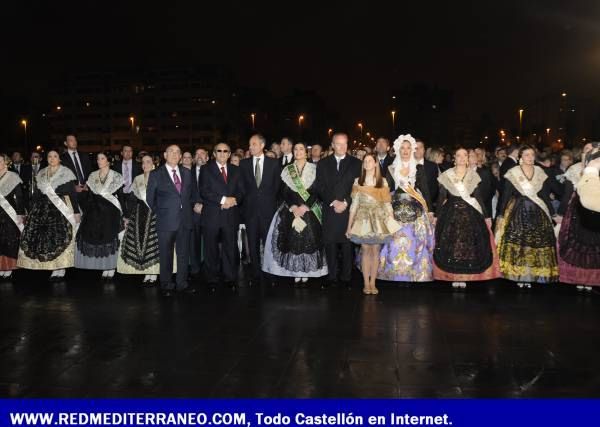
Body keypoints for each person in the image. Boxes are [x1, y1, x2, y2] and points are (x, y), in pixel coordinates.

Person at [433, 148, 500, 288]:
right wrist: (436, 215)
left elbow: (478, 197)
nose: (462, 158)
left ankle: (465, 275)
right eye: (459, 155)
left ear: (468, 159)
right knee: (451, 245)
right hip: (451, 213)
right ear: (454, 159)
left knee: (467, 245)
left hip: (470, 213)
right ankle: (454, 275)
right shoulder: (447, 175)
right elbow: (441, 197)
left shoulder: (473, 175)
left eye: (465, 155)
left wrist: (487, 216)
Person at [263, 142, 328, 284]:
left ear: (306, 152)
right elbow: (284, 192)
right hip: (291, 209)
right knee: (292, 241)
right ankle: (296, 271)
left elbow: (317, 191)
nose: (298, 151)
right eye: (296, 149)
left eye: (301, 149)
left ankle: (307, 271)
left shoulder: (315, 169)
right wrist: (293, 206)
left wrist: (306, 206)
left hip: (309, 209)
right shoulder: (287, 170)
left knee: (310, 241)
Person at [495, 145, 559, 288]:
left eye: (532, 155)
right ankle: (519, 274)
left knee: (535, 243)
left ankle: (532, 274)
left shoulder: (539, 171)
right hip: (518, 211)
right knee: (520, 244)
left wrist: (552, 212)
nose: (530, 158)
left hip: (537, 211)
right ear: (520, 157)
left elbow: (543, 195)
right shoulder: (513, 172)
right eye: (526, 155)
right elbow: (505, 195)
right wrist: (500, 213)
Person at [146, 145, 202, 297]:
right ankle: (166, 285)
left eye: (177, 152)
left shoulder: (187, 172)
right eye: (171, 151)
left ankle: (182, 284)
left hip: (185, 220)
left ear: (180, 156)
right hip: (166, 222)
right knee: (166, 255)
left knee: (183, 254)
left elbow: (192, 194)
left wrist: (195, 204)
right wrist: (163, 213)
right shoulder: (156, 174)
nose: (174, 154)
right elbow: (150, 199)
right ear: (165, 155)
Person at [378, 135, 434, 283]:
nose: (405, 151)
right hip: (394, 208)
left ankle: (413, 275)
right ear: (397, 149)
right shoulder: (391, 168)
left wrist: (430, 211)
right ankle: (393, 274)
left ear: (412, 150)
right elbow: (386, 189)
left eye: (408, 148)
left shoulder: (418, 168)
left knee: (415, 240)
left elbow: (425, 189)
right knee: (393, 241)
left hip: (415, 208)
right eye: (402, 148)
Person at [17, 149, 81, 280]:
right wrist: (30, 210)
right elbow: (37, 195)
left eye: (55, 156)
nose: (52, 158)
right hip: (43, 209)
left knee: (60, 236)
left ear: (59, 158)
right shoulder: (41, 173)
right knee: (47, 239)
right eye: (50, 156)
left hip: (61, 207)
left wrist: (76, 211)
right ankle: (53, 267)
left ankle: (61, 268)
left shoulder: (66, 173)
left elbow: (72, 194)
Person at [347, 154, 399, 294]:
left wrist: (392, 224)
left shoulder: (382, 182)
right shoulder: (358, 182)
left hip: (378, 220)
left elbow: (388, 205)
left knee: (375, 250)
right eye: (365, 161)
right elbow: (354, 206)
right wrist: (349, 227)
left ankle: (373, 282)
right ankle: (365, 282)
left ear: (376, 164)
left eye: (370, 160)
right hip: (362, 219)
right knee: (365, 250)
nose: (367, 163)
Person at [315, 132, 362, 288]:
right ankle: (332, 276)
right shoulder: (323, 163)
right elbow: (319, 186)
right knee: (330, 244)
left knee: (348, 245)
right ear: (333, 145)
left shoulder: (356, 163)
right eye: (338, 144)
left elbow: (359, 187)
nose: (342, 147)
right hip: (330, 208)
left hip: (348, 210)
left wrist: (346, 202)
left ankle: (347, 277)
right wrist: (333, 201)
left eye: (345, 143)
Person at [199, 143, 243, 291]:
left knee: (230, 248)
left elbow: (242, 191)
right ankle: (212, 279)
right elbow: (204, 191)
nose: (223, 153)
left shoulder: (236, 170)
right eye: (220, 151)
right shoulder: (206, 169)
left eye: (226, 151)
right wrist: (223, 200)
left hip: (230, 215)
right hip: (212, 216)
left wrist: (233, 200)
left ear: (230, 154)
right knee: (211, 249)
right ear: (214, 153)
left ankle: (230, 278)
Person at [74, 153, 124, 279]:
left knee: (110, 238)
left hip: (110, 211)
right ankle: (104, 265)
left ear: (108, 161)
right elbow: (90, 195)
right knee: (99, 239)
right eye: (97, 159)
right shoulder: (92, 175)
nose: (99, 161)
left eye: (102, 158)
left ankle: (111, 266)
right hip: (95, 211)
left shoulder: (116, 176)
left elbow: (120, 196)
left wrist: (124, 213)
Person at [239, 134, 281, 285]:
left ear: (262, 145)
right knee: (252, 243)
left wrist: (267, 201)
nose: (250, 147)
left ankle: (270, 273)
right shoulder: (244, 164)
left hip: (268, 211)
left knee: (269, 244)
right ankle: (256, 274)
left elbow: (277, 187)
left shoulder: (274, 163)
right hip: (250, 211)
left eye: (254, 144)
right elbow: (242, 186)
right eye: (250, 144)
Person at [117, 155, 161, 284]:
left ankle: (154, 272)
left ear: (154, 163)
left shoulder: (159, 177)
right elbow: (132, 199)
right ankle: (147, 272)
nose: (145, 164)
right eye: (143, 162)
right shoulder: (137, 179)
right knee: (142, 244)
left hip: (155, 214)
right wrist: (128, 216)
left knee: (154, 244)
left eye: (148, 162)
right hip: (140, 214)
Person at [0, 154, 25, 279]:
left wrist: (20, 213)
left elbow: (19, 197)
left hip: (8, 214)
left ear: (6, 162)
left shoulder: (13, 176)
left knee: (9, 241)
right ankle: (1, 266)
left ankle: (10, 267)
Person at [190, 148, 208, 278]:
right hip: (194, 211)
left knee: (210, 242)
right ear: (194, 158)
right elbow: (184, 193)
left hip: (210, 211)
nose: (199, 156)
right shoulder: (186, 173)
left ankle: (210, 267)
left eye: (202, 153)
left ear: (207, 157)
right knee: (194, 241)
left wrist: (205, 206)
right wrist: (193, 205)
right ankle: (195, 267)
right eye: (197, 154)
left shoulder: (214, 171)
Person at [111, 145, 141, 219]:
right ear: (121, 153)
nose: (128, 153)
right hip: (120, 195)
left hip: (134, 195)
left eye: (130, 151)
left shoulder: (138, 166)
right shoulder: (116, 166)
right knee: (121, 217)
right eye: (125, 151)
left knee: (133, 217)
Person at [415, 139, 439, 207]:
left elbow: (434, 187)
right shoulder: (407, 165)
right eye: (416, 148)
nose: (418, 150)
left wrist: (427, 202)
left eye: (421, 147)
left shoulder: (432, 166)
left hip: (428, 204)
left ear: (424, 150)